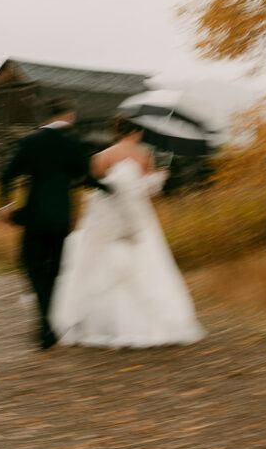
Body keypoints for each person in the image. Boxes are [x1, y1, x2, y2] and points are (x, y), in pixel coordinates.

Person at [49, 117, 206, 348]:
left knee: (102, 266)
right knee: (144, 265)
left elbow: (95, 188)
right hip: (137, 221)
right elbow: (149, 192)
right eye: (140, 132)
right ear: (135, 132)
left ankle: (99, 324)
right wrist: (159, 177)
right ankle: (149, 323)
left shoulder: (101, 156)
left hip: (106, 222)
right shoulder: (144, 155)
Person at [0, 97, 89, 349]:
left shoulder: (31, 142)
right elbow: (84, 176)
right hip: (62, 219)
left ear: (48, 116)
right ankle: (50, 323)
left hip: (35, 218)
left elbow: (5, 175)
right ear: (69, 115)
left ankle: (46, 324)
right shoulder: (74, 143)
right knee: (55, 271)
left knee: (31, 264)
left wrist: (5, 206)